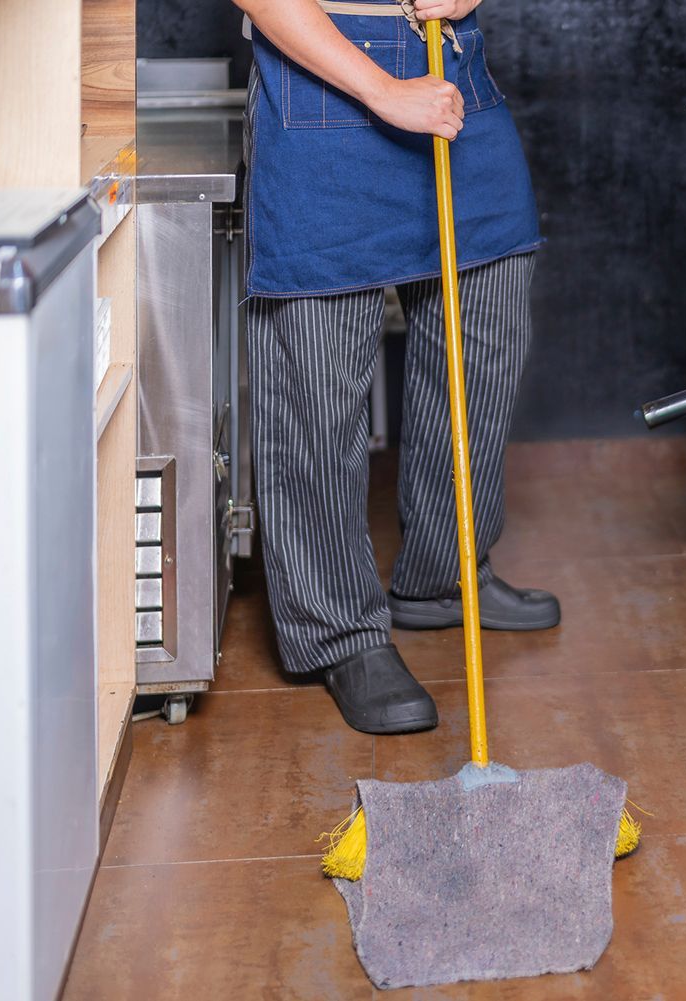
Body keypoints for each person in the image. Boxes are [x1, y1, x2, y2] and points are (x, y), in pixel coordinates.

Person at [233, 0, 558, 735]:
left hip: (449, 71)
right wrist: (382, 89)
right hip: (322, 82)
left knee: (490, 303)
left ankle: (444, 576)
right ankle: (340, 630)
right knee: (315, 380)